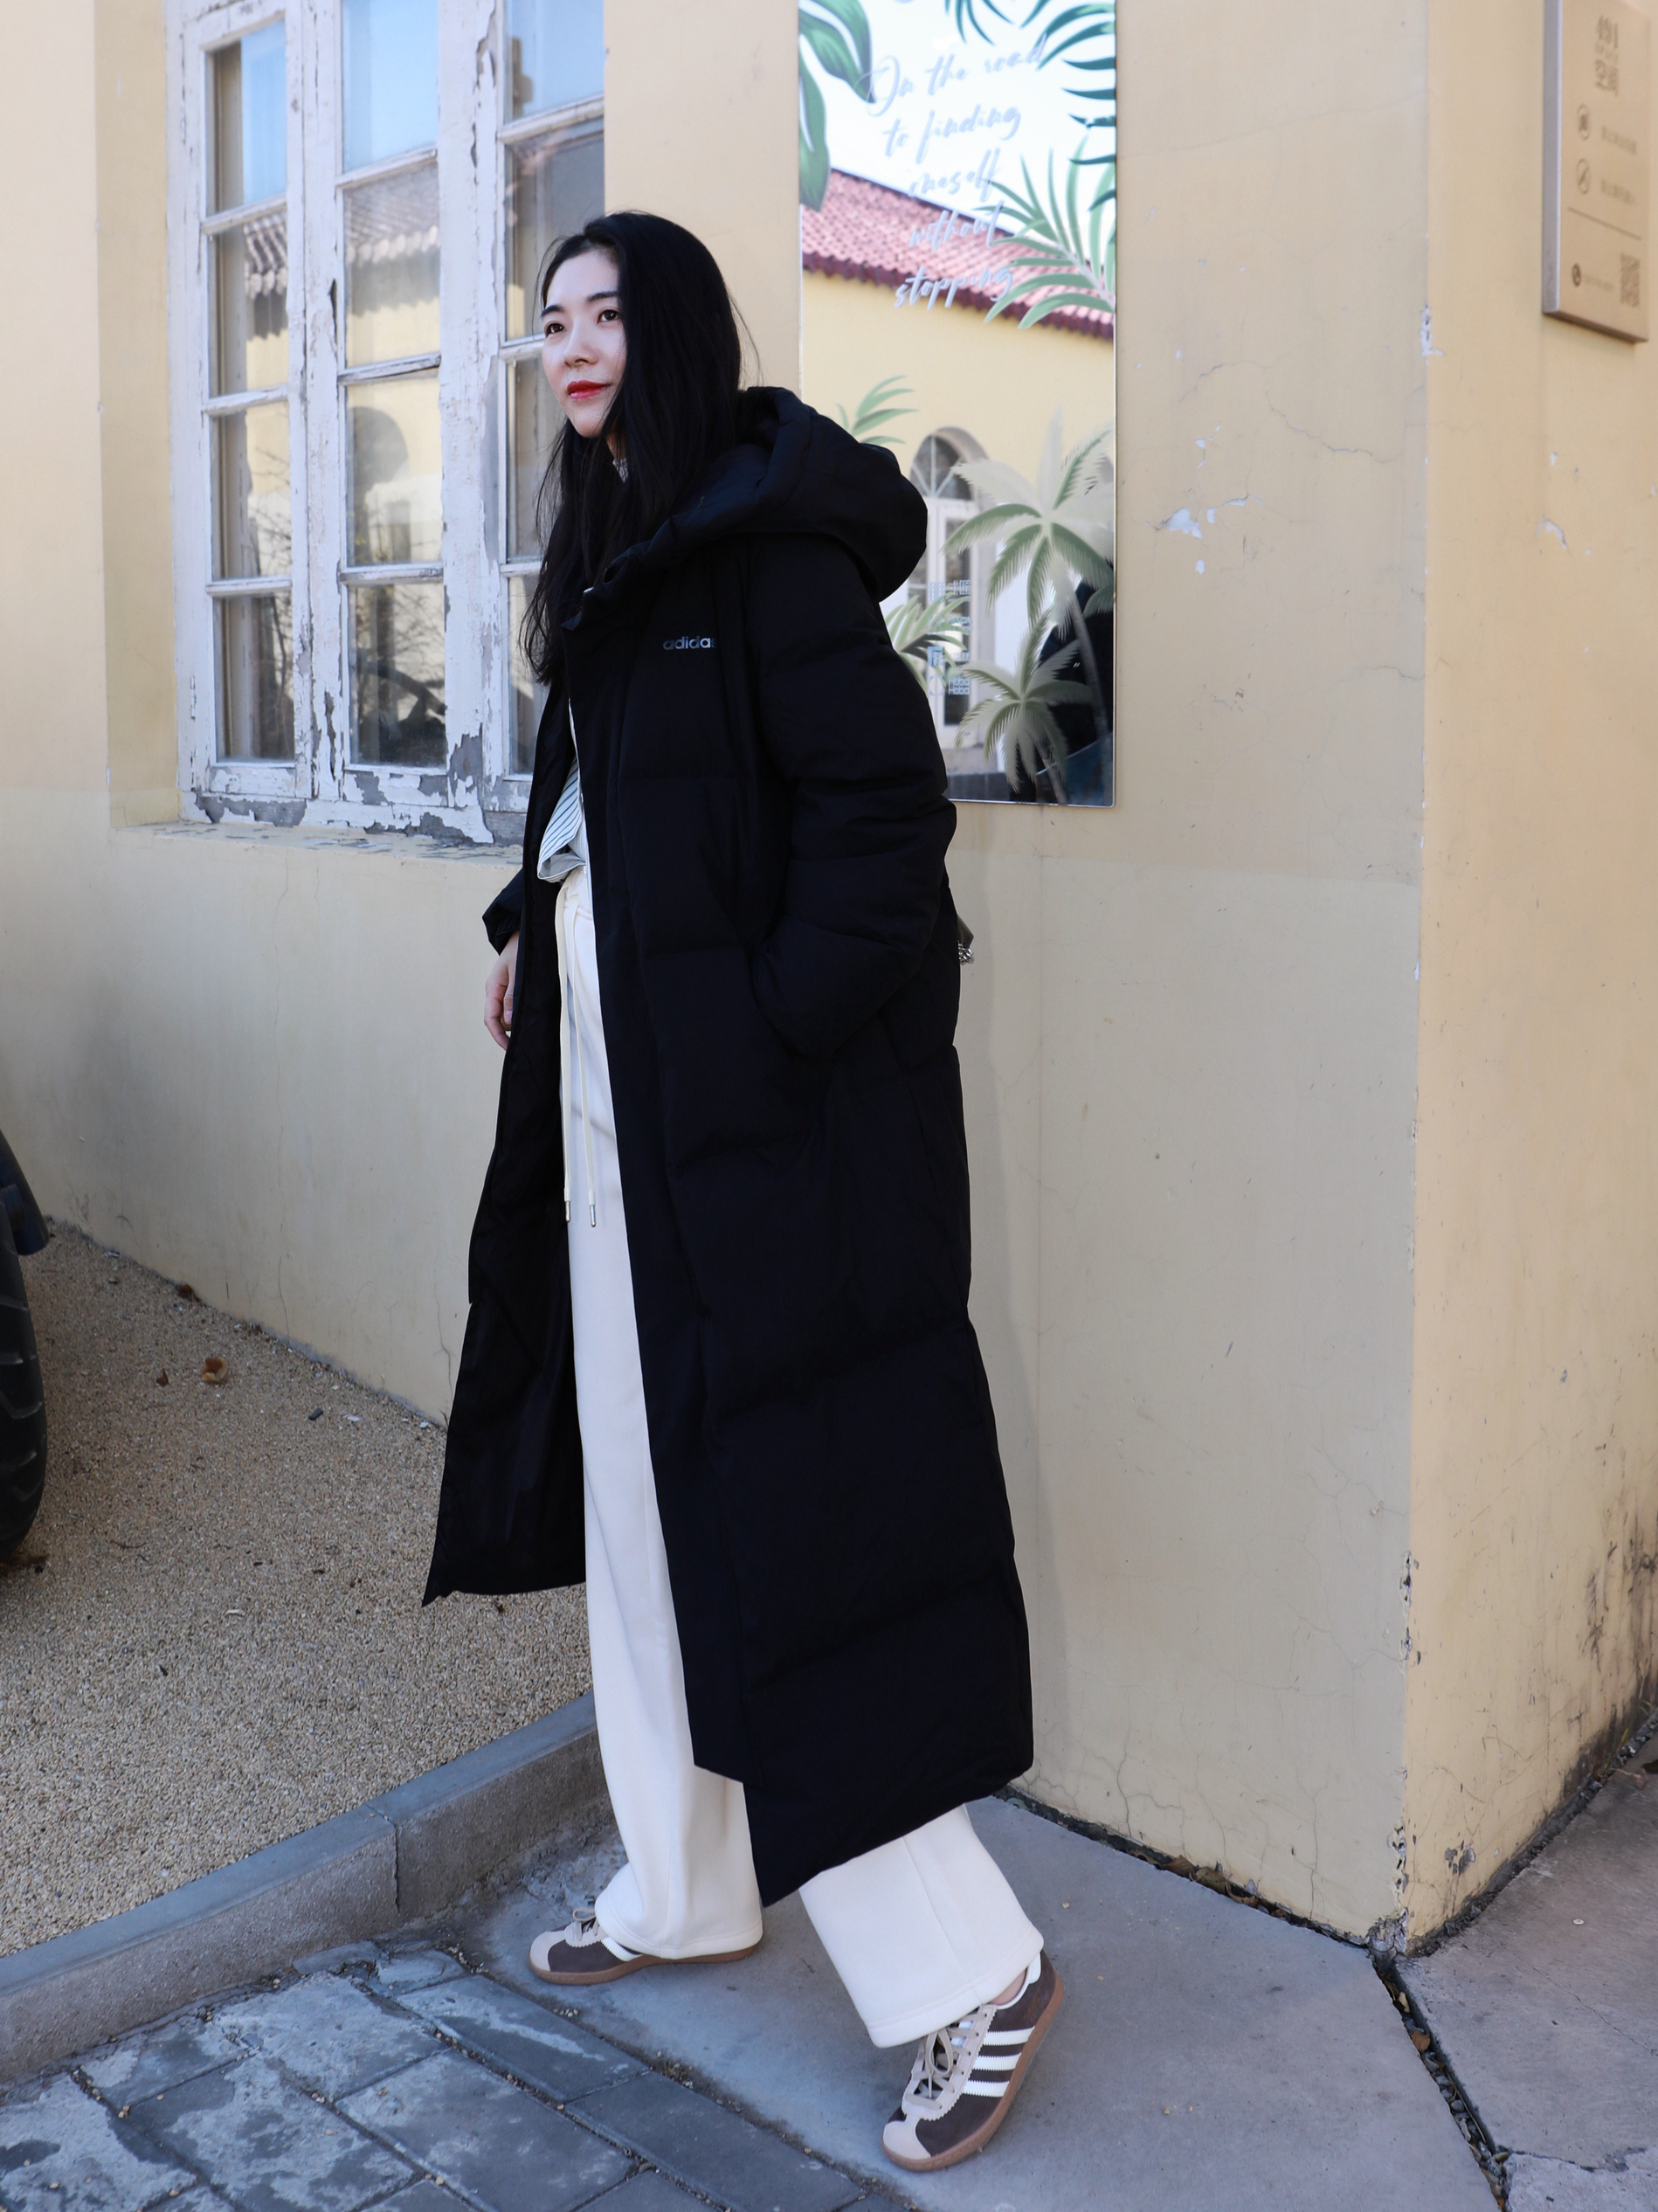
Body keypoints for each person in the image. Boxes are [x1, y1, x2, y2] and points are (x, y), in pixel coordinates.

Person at [424, 210, 1060, 2175]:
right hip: (618, 1124)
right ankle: (689, 1882)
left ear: (680, 330)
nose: (571, 343)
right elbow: (616, 800)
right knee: (643, 1504)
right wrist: (537, 923)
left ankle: (975, 1971)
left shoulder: (766, 551)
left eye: (607, 313)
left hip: (760, 1143)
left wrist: (767, 1035)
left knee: (792, 1539)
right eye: (551, 318)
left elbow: (881, 825)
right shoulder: (619, 550)